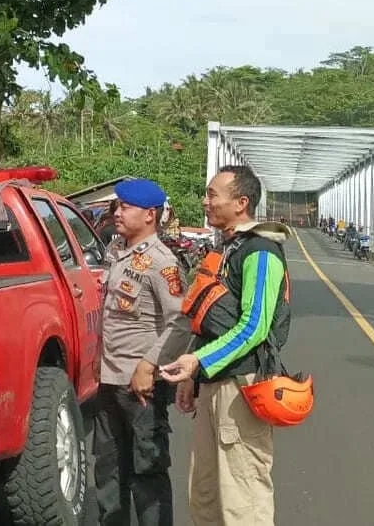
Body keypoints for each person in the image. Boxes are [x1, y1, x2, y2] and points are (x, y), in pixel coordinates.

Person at [161, 165, 291, 525]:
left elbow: (254, 327)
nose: (205, 202)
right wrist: (195, 377)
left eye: (212, 194)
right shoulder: (230, 249)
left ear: (241, 203)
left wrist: (196, 362)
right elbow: (211, 319)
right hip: (215, 383)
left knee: (242, 497)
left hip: (241, 387)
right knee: (206, 492)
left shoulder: (261, 252)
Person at [94, 178, 192, 526]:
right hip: (109, 380)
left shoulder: (160, 262)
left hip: (141, 386)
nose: (117, 212)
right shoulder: (115, 252)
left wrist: (149, 365)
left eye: (125, 207)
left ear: (149, 215)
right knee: (108, 470)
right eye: (116, 206)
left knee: (146, 472)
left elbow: (180, 322)